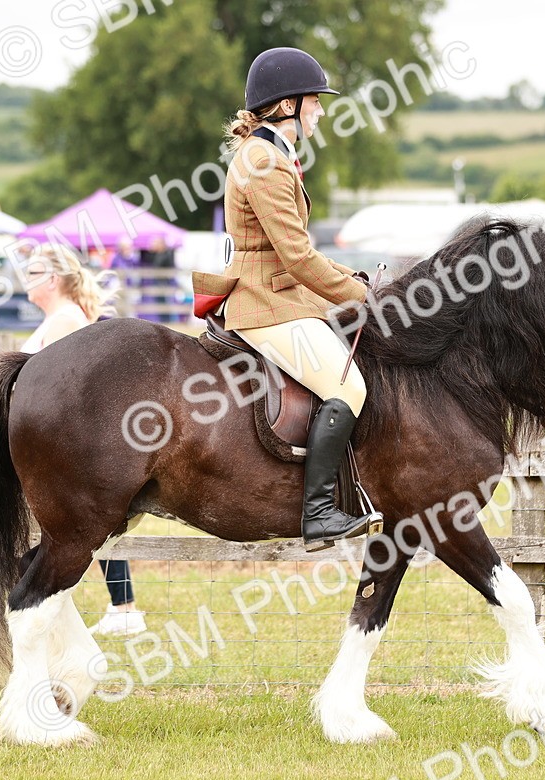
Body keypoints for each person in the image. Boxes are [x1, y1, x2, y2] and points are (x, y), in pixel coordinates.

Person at [192, 47, 382, 552]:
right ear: (286, 104)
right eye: (314, 101)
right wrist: (361, 296)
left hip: (280, 296)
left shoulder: (270, 155)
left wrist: (358, 279)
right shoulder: (265, 162)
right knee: (350, 388)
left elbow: (300, 250)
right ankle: (319, 512)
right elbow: (297, 259)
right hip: (266, 304)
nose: (320, 109)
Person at [21, 243, 145, 637]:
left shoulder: (65, 320)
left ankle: (122, 607)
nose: (26, 278)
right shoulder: (59, 317)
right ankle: (115, 607)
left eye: (34, 271)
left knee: (89, 526)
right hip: (49, 440)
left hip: (64, 441)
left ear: (53, 278)